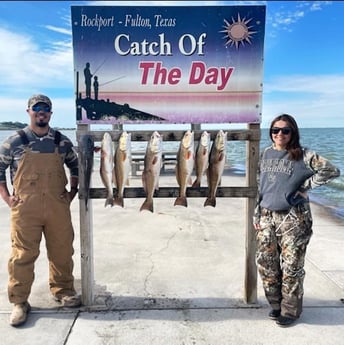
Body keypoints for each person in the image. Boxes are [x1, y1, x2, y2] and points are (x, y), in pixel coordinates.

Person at [0, 94, 81, 327]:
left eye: (45, 108)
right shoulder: (15, 141)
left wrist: (72, 191)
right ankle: (19, 301)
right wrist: (7, 198)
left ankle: (63, 290)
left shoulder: (61, 141)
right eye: (37, 108)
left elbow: (75, 165)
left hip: (57, 206)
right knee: (22, 255)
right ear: (29, 112)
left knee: (62, 249)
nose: (41, 111)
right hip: (26, 209)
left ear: (51, 113)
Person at [253, 114, 340, 327]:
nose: (280, 134)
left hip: (294, 219)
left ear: (293, 132)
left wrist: (304, 187)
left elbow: (331, 170)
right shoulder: (266, 153)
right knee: (266, 263)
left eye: (285, 130)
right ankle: (276, 304)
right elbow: (260, 184)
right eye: (275, 130)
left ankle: (290, 311)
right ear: (271, 132)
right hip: (266, 216)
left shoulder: (304, 154)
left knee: (292, 266)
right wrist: (257, 212)